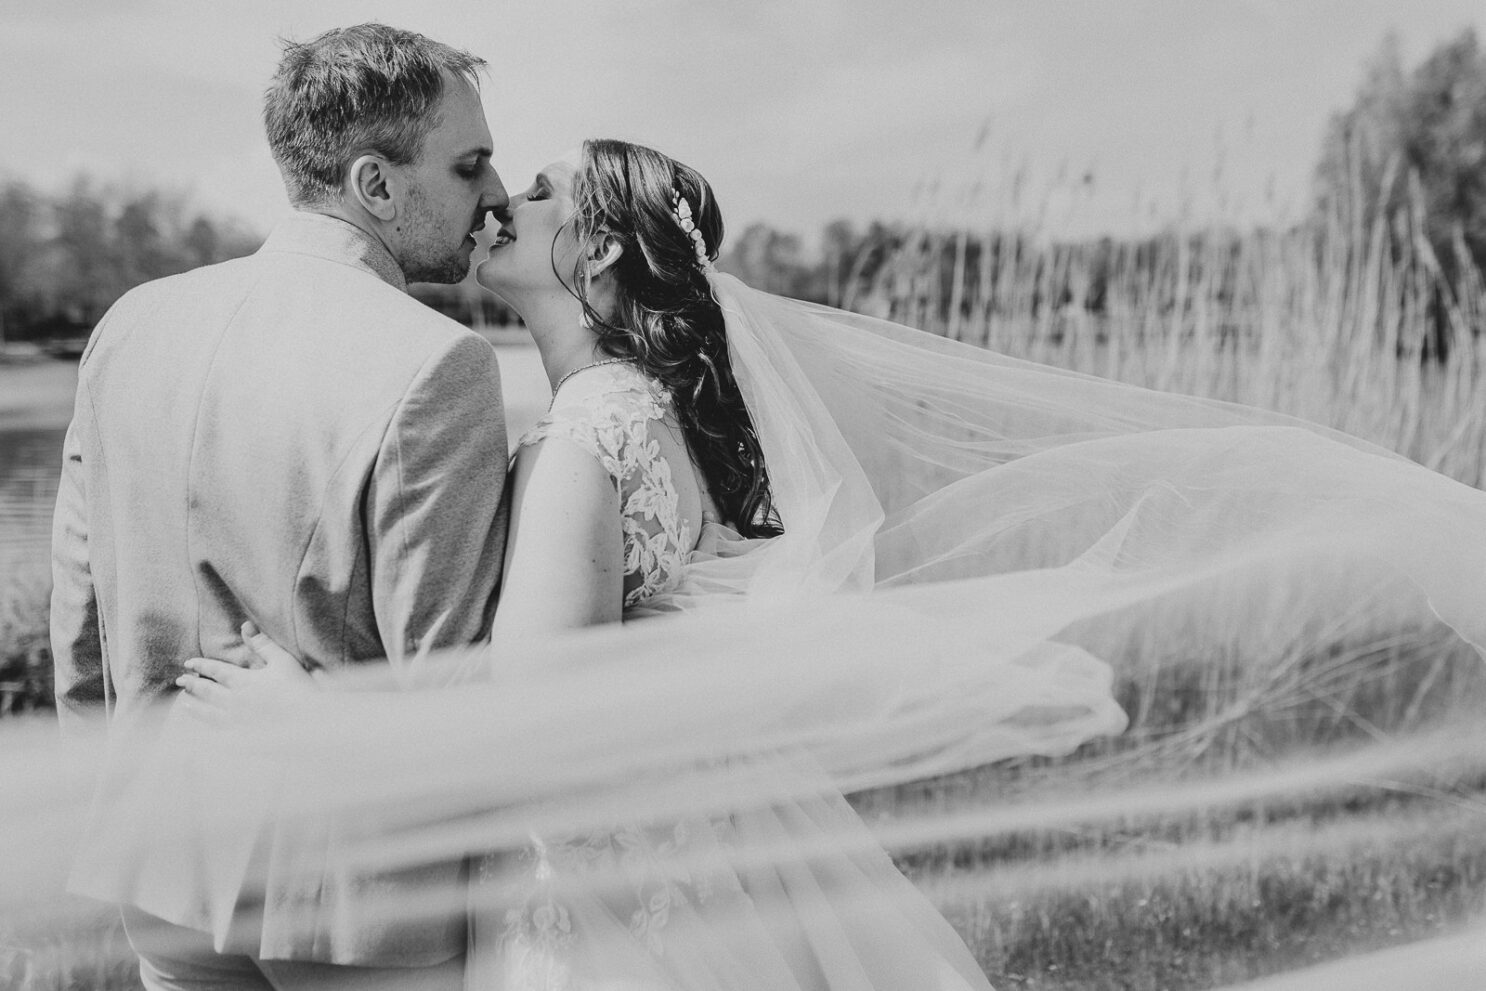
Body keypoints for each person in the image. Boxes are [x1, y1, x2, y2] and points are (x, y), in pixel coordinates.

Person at [169, 136, 1486, 988]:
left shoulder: (588, 430)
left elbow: (540, 712)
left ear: (604, 252)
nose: (502, 200)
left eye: (541, 192)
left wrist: (319, 722)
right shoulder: (654, 408)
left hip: (610, 872)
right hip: (712, 826)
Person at [51, 23, 510, 991]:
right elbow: (447, 688)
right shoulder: (437, 364)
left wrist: (110, 796)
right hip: (352, 891)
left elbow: (81, 608)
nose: (496, 197)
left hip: (157, 851)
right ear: (375, 184)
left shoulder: (135, 321)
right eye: (469, 167)